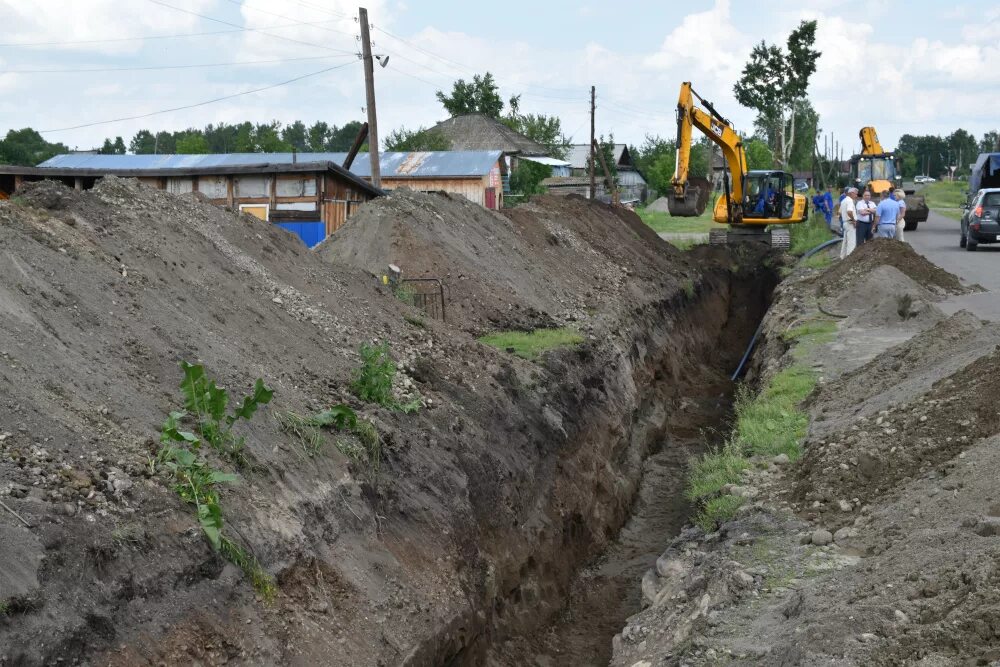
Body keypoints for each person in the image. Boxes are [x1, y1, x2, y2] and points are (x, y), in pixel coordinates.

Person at [840, 187, 859, 258]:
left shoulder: (843, 201)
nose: (856, 196)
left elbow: (839, 212)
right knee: (851, 242)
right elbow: (849, 212)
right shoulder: (850, 201)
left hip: (845, 222)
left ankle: (842, 257)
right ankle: (849, 258)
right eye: (855, 194)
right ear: (851, 193)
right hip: (850, 223)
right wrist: (854, 220)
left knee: (845, 242)